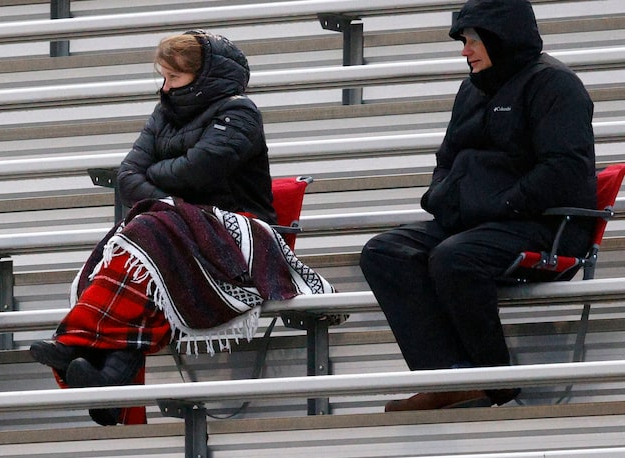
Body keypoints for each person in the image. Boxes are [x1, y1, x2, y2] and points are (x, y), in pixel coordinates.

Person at [29, 30, 337, 426]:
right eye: (163, 77)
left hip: (241, 229)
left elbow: (200, 169)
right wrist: (167, 196)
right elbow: (127, 176)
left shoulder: (239, 112)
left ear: (203, 76)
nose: (165, 86)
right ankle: (109, 378)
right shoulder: (164, 112)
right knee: (139, 237)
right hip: (175, 228)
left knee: (146, 230)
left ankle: (80, 345)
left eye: (173, 78)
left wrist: (157, 184)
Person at [359, 0, 597, 412]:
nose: (465, 50)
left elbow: (565, 171)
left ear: (500, 37)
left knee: (456, 257)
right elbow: (446, 159)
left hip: (544, 224)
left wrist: (500, 203)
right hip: (476, 221)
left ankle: (494, 381)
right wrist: (440, 196)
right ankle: (449, 377)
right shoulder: (471, 89)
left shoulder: (556, 85)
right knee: (384, 252)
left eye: (471, 40)